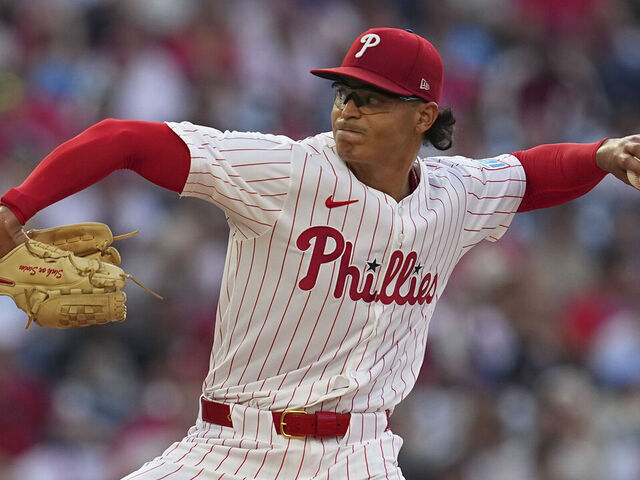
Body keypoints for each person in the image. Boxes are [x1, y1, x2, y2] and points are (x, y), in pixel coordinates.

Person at [0, 27, 639, 480]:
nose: (348, 109)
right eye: (343, 92)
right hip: (232, 446)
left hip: (357, 456)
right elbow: (122, 137)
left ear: (424, 115)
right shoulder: (285, 170)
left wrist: (601, 155)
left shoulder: (456, 193)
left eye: (372, 97)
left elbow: (531, 174)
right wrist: (18, 204)